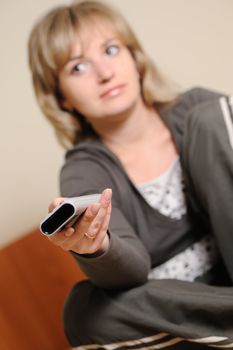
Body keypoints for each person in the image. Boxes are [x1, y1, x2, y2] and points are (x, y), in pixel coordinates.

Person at [28, 1, 233, 349]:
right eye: (78, 67)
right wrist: (97, 247)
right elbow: (133, 272)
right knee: (83, 312)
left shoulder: (199, 110)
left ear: (134, 59)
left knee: (213, 119)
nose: (104, 73)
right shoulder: (85, 168)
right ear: (63, 98)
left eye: (110, 50)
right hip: (185, 316)